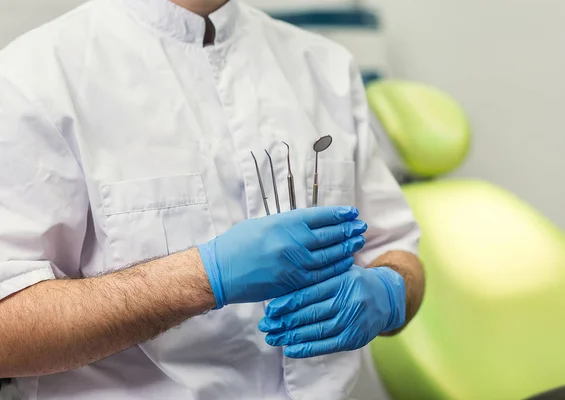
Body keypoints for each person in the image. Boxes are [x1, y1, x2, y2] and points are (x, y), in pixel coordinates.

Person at [0, 0, 424, 398]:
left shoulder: (326, 66)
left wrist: (388, 293)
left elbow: (399, 252)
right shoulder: (34, 77)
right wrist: (206, 277)